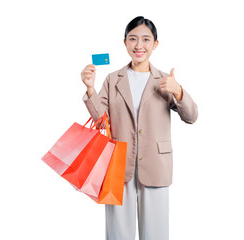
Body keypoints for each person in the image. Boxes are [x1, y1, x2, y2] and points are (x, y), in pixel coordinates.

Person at [81, 16, 198, 240]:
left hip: (155, 164)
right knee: (117, 233)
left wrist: (178, 91)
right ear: (124, 42)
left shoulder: (165, 80)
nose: (138, 45)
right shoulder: (112, 79)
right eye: (133, 39)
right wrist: (90, 90)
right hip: (118, 165)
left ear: (155, 44)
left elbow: (192, 116)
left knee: (155, 233)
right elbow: (100, 120)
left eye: (146, 39)